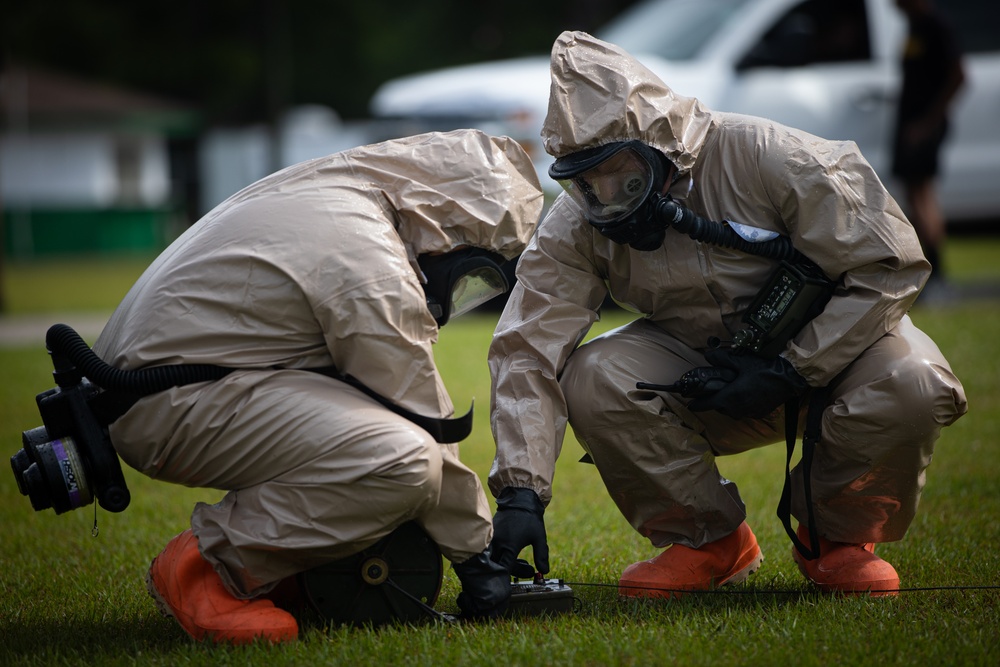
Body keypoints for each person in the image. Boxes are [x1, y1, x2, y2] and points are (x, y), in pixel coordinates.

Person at [486, 31, 967, 600]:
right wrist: (521, 491)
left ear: (660, 144)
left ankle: (837, 539)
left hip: (836, 353)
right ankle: (709, 541)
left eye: (621, 173)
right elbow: (527, 344)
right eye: (587, 181)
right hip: (708, 375)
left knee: (912, 381)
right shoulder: (576, 224)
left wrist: (793, 369)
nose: (606, 196)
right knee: (593, 377)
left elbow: (889, 263)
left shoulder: (768, 154)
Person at [92, 129, 543, 643]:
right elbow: (419, 411)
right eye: (472, 274)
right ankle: (207, 567)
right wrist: (477, 555)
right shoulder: (366, 252)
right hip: (170, 404)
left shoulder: (339, 193)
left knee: (390, 440)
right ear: (450, 228)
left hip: (171, 386)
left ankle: (286, 571)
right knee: (402, 460)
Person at [892, 0, 965, 297]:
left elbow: (958, 75)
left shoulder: (936, 26)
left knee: (921, 195)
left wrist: (927, 122)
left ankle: (936, 271)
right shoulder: (915, 26)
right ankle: (932, 271)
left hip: (923, 127)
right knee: (916, 194)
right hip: (911, 124)